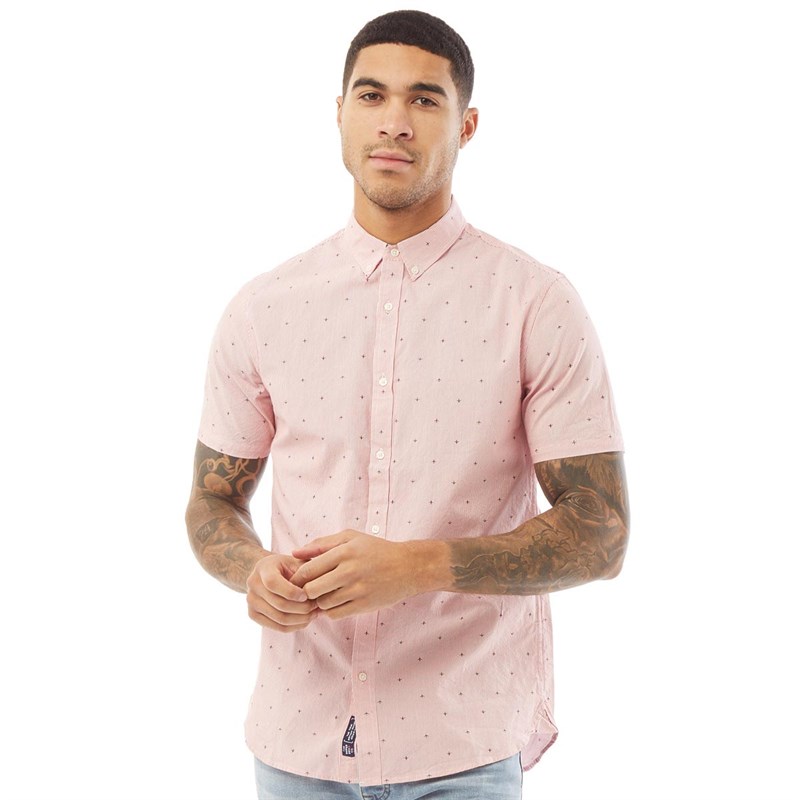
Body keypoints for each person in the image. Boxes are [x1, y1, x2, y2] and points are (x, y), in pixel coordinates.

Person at [185, 9, 629, 800]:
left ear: (467, 125)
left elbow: (601, 533)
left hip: (462, 747)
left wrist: (420, 565)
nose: (394, 122)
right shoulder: (263, 309)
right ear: (339, 113)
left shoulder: (535, 303)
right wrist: (251, 571)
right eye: (372, 96)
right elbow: (212, 501)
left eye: (424, 99)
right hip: (297, 745)